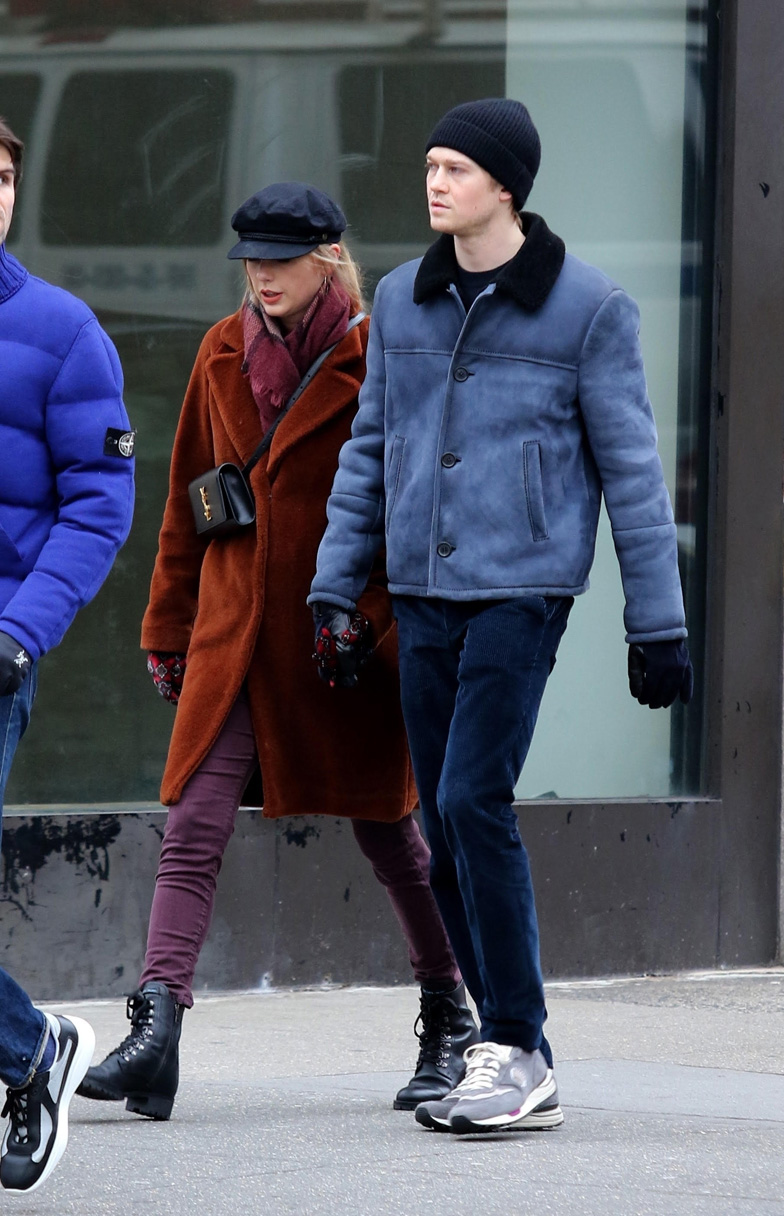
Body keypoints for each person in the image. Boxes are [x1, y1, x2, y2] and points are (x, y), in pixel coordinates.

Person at [309, 98, 693, 1136]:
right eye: (429, 165)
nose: (434, 182)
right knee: (438, 815)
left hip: (522, 591)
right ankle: (502, 1046)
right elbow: (369, 452)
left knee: (473, 797)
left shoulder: (587, 310)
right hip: (421, 591)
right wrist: (333, 590)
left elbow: (632, 474)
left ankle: (517, 1041)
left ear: (504, 186)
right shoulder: (400, 298)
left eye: (454, 168)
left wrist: (655, 625)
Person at [77, 182, 477, 1122]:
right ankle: (158, 1026)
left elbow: (414, 508)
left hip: (342, 639)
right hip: (234, 636)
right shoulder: (220, 348)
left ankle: (447, 1009)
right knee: (193, 824)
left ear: (328, 258)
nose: (259, 274)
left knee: (392, 836)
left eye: (278, 259)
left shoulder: (381, 354)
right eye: (250, 258)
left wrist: (376, 628)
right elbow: (190, 502)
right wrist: (167, 630)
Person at [0, 117, 135, 1191]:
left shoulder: (62, 330)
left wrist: (20, 629)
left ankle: (32, 1053)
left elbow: (98, 506)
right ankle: (29, 1048)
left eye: (1, 178)